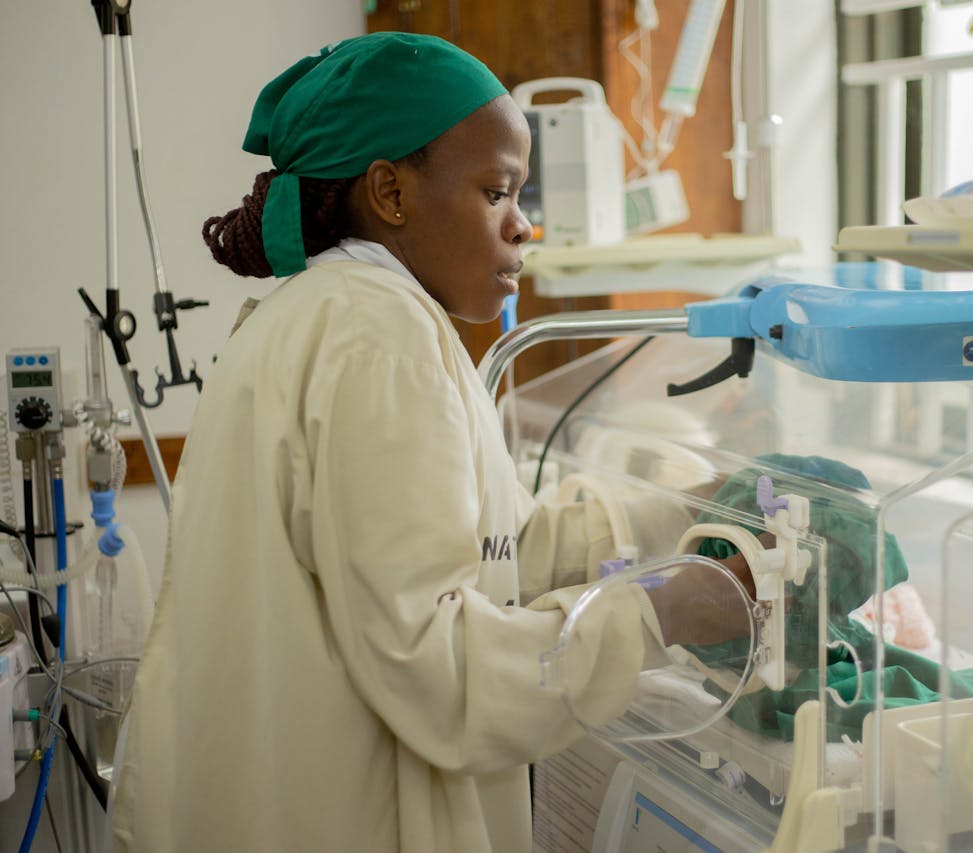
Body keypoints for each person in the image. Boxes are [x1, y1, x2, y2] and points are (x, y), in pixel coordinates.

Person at [110, 32, 753, 853]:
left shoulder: (327, 312)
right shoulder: (377, 335)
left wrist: (684, 511)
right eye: (496, 191)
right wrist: (664, 612)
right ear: (391, 192)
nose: (524, 226)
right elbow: (438, 665)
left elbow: (496, 549)